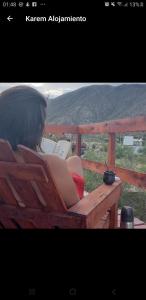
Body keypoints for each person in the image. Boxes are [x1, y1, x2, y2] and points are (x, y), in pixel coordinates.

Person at [0, 85, 85, 208]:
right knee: (74, 162)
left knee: (73, 160)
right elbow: (77, 210)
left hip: (11, 220)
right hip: (54, 219)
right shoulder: (49, 163)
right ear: (36, 127)